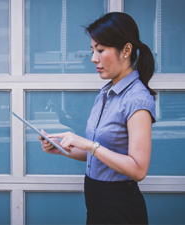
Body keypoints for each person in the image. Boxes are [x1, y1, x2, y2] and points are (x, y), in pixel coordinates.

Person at [39, 12, 156, 225]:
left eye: (100, 50)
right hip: (96, 202)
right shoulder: (104, 94)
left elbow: (139, 170)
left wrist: (89, 145)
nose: (93, 58)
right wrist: (61, 149)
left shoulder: (137, 99)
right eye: (92, 50)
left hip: (120, 207)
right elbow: (99, 153)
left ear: (126, 50)